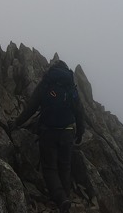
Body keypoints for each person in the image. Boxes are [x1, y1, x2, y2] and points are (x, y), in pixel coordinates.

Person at [8, 60, 85, 213]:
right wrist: (80, 132)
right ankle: (66, 197)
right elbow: (80, 112)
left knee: (49, 168)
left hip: (48, 132)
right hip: (68, 132)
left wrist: (16, 123)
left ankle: (60, 198)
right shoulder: (70, 87)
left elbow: (31, 107)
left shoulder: (46, 83)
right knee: (65, 166)